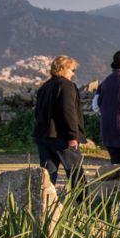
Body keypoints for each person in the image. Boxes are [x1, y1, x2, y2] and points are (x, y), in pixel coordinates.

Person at [33, 55, 86, 187]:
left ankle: (45, 203)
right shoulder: (67, 86)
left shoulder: (44, 87)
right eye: (72, 70)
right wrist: (73, 136)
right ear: (63, 69)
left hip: (44, 136)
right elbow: (68, 112)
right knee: (76, 173)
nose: (73, 74)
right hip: (62, 137)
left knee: (48, 176)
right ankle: (82, 204)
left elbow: (37, 112)